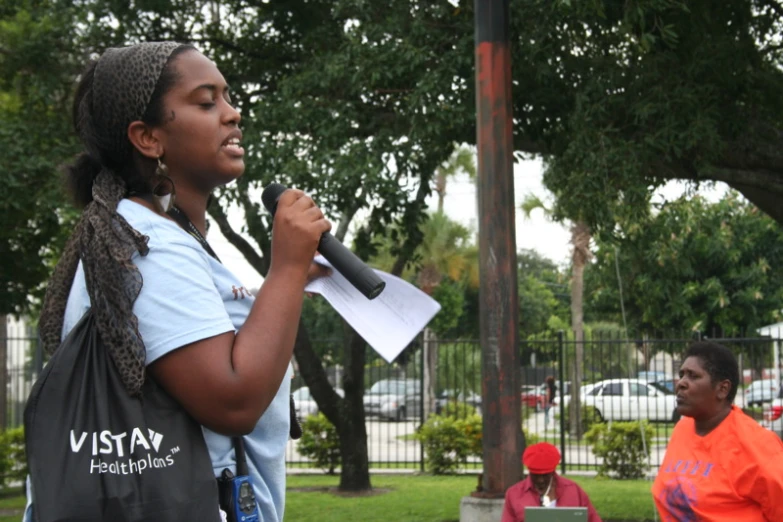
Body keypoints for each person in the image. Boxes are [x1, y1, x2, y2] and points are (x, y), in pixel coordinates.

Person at [25, 42, 331, 521]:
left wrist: (285, 286)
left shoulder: (154, 237)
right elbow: (233, 402)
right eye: (206, 102)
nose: (232, 114)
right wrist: (286, 269)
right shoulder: (147, 245)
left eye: (228, 98)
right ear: (147, 138)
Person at [653, 341, 783, 521]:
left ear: (722, 389)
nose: (681, 383)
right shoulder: (682, 430)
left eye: (693, 376)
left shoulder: (759, 445)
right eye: (681, 374)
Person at [501, 442, 602, 522]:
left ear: (553, 471)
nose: (540, 480)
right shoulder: (514, 494)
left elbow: (593, 519)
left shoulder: (573, 490)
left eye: (545, 475)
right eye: (536, 475)